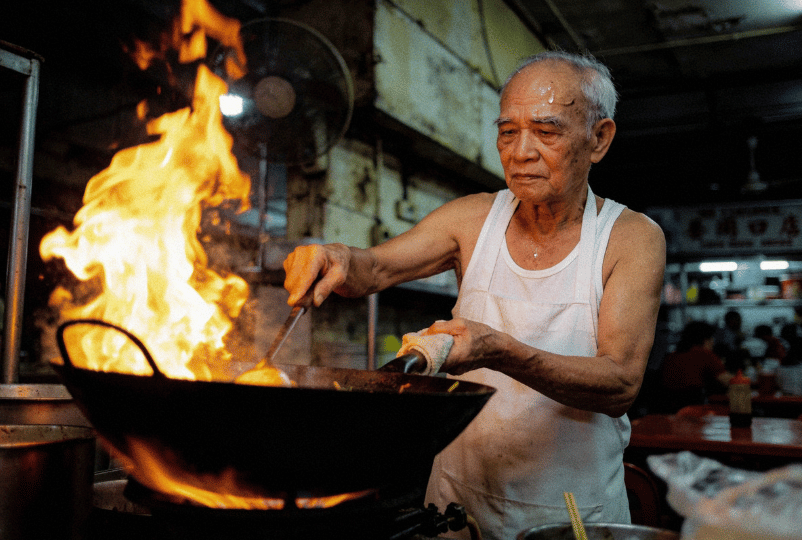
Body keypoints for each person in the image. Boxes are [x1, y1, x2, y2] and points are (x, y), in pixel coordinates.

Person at [282, 51, 666, 539]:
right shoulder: (471, 218)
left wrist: (496, 349)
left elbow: (620, 383)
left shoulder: (630, 237)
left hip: (569, 509)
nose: (520, 151)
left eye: (546, 133)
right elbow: (373, 268)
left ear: (599, 139)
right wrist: (334, 256)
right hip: (457, 500)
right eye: (508, 132)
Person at [660, 321, 733, 412]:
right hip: (695, 412)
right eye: (712, 338)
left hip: (667, 412)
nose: (713, 342)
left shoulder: (671, 356)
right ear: (705, 339)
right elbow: (731, 381)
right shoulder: (703, 354)